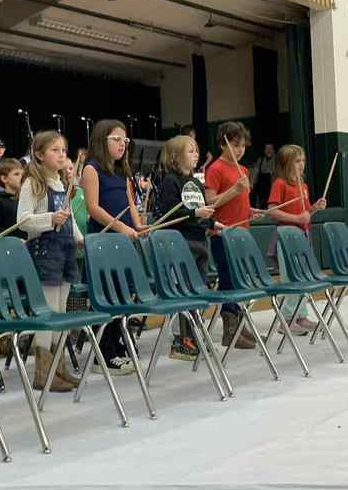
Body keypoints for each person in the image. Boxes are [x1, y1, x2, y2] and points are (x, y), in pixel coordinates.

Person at [17, 131, 84, 391]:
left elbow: (70, 218)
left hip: (66, 251)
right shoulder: (32, 184)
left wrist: (79, 238)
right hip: (45, 251)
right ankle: (43, 372)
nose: (61, 155)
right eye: (55, 150)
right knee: (48, 312)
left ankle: (60, 368)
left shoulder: (62, 184)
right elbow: (22, 221)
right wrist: (49, 220)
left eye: (63, 150)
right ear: (39, 155)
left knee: (62, 312)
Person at [81, 119, 146, 375]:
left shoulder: (122, 170)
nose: (122, 145)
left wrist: (139, 224)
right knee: (108, 297)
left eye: (124, 140)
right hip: (104, 241)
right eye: (116, 140)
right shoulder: (91, 168)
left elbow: (130, 204)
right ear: (101, 141)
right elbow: (93, 208)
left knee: (123, 295)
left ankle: (116, 343)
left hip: (124, 240)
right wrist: (122, 228)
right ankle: (103, 354)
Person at [204, 122, 265, 349]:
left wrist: (251, 211)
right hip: (222, 234)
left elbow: (240, 202)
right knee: (229, 280)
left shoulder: (244, 170)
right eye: (236, 145)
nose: (240, 150)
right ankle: (230, 330)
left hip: (242, 234)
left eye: (243, 146)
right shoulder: (215, 169)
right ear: (223, 144)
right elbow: (210, 203)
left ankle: (239, 324)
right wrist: (234, 191)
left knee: (240, 281)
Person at [158, 135, 217, 360]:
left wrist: (212, 223)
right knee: (183, 292)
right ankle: (181, 340)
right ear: (175, 156)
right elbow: (168, 214)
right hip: (180, 243)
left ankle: (194, 334)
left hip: (200, 241)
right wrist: (195, 213)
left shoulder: (196, 183)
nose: (196, 155)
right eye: (190, 151)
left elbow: (200, 210)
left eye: (196, 150)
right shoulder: (171, 181)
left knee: (197, 290)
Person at [266, 144, 327, 335]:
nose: (302, 165)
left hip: (302, 237)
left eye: (303, 161)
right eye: (297, 161)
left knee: (303, 277)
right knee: (290, 277)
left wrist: (315, 207)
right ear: (286, 164)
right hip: (286, 239)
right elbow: (273, 211)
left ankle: (300, 316)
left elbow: (305, 212)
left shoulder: (304, 185)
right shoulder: (279, 184)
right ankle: (285, 319)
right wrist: (297, 219)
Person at [0, 158, 25, 239]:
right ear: (4, 179)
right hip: (9, 247)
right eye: (16, 174)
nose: (22, 177)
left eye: (22, 174)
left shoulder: (24, 200)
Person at [250, 143, 277, 208]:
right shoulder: (260, 160)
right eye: (266, 148)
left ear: (273, 150)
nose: (268, 150)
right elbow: (255, 173)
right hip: (262, 189)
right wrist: (252, 183)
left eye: (270, 148)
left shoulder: (277, 160)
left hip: (274, 187)